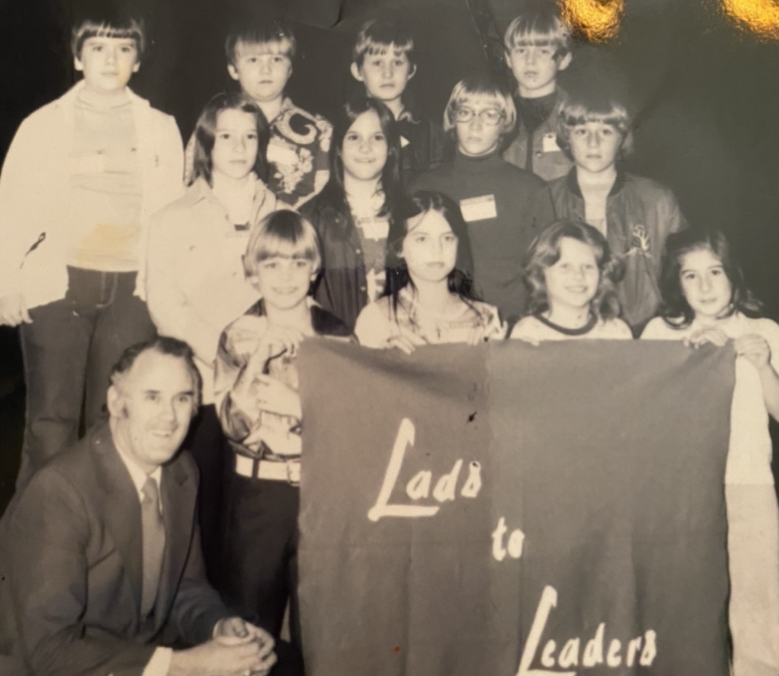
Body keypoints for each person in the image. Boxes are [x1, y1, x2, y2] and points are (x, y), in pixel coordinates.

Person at [0, 338, 279, 676]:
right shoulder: (59, 492)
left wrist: (220, 627)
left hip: (136, 658)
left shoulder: (180, 472)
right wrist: (187, 665)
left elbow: (185, 589)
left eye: (182, 398)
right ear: (117, 402)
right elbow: (50, 652)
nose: (170, 417)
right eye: (152, 397)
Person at [0, 11, 184, 491]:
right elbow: (11, 208)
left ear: (138, 60)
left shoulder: (161, 127)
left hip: (132, 289)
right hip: (58, 285)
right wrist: (5, 285)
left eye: (124, 49)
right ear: (77, 57)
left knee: (115, 421)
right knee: (50, 424)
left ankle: (104, 548)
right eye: (98, 48)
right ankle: (35, 548)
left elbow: (171, 218)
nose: (111, 59)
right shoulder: (42, 125)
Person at [146, 92, 282, 586]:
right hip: (203, 389)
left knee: (252, 521)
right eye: (226, 136)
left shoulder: (283, 215)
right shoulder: (171, 218)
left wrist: (261, 361)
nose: (240, 147)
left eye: (250, 136)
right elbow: (165, 305)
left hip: (266, 394)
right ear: (206, 143)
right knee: (200, 509)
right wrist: (225, 353)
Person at [641, 228, 779, 676]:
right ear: (675, 284)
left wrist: (762, 366)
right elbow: (646, 421)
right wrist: (687, 363)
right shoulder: (660, 332)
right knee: (688, 599)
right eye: (690, 275)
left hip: (749, 482)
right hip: (684, 491)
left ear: (734, 275)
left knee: (757, 598)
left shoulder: (762, 330)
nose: (704, 286)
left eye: (715, 272)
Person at [213, 211, 351, 658]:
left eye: (297, 263)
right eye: (272, 265)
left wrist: (301, 407)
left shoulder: (338, 336)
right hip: (258, 494)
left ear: (314, 270)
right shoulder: (236, 335)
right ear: (252, 273)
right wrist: (256, 362)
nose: (286, 277)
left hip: (322, 493)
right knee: (251, 631)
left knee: (324, 630)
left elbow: (353, 429)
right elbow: (233, 427)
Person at [413, 75, 555, 325]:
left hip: (511, 325)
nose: (475, 124)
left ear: (505, 123)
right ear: (453, 118)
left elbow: (547, 274)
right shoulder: (424, 186)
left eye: (489, 115)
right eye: (466, 112)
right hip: (437, 326)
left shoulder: (531, 189)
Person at [547, 91, 687, 334]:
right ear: (567, 138)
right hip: (566, 334)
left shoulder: (657, 199)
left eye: (605, 131)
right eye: (581, 131)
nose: (593, 142)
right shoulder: (545, 198)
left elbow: (685, 271)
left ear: (622, 139)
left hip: (643, 334)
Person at [185, 18, 332, 209]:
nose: (266, 70)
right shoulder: (211, 124)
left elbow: (322, 203)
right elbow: (189, 187)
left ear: (290, 69)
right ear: (233, 70)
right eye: (253, 60)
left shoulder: (319, 131)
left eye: (276, 59)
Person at [303, 96, 406, 331]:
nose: (365, 147)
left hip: (403, 354)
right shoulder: (310, 218)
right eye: (354, 137)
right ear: (338, 147)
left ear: (391, 148)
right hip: (339, 353)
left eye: (377, 137)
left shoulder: (411, 214)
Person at [355, 190, 505, 351]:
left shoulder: (486, 317)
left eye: (447, 238)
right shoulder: (376, 318)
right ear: (399, 248)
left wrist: (491, 354)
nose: (437, 250)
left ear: (458, 245)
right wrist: (381, 362)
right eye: (422, 239)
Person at [350, 12, 452, 183]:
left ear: (411, 70)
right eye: (377, 63)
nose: (388, 73)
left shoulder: (434, 135)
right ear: (358, 71)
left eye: (397, 63)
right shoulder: (344, 131)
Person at [510, 219, 632, 341]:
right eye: (565, 267)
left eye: (588, 267)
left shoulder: (617, 332)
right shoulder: (527, 333)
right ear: (541, 273)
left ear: (601, 274)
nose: (579, 275)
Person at [502, 1, 574, 181]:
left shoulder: (580, 119)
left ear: (563, 60)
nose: (530, 61)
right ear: (508, 59)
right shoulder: (495, 117)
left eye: (542, 51)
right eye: (521, 50)